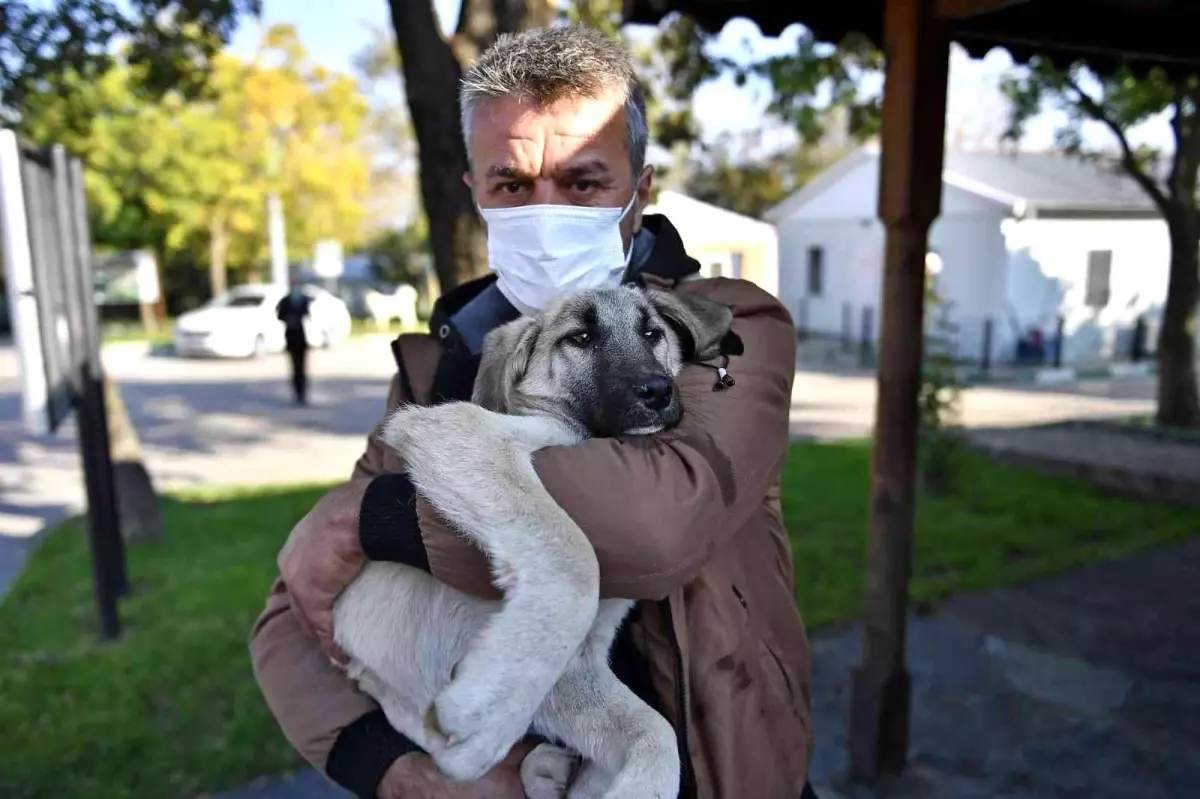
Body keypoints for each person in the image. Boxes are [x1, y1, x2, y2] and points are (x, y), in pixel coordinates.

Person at [250, 25, 814, 799]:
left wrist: (369, 517)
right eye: (513, 184)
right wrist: (405, 776)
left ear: (640, 189)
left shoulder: (724, 325)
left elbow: (658, 522)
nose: (546, 213)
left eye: (583, 182)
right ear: (475, 192)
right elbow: (292, 613)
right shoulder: (440, 363)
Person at [275, 279, 312, 405]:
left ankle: (303, 393)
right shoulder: (285, 301)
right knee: (294, 367)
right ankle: (297, 392)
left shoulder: (303, 300)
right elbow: (279, 315)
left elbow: (307, 314)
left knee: (302, 368)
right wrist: (288, 319)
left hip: (301, 336)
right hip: (290, 336)